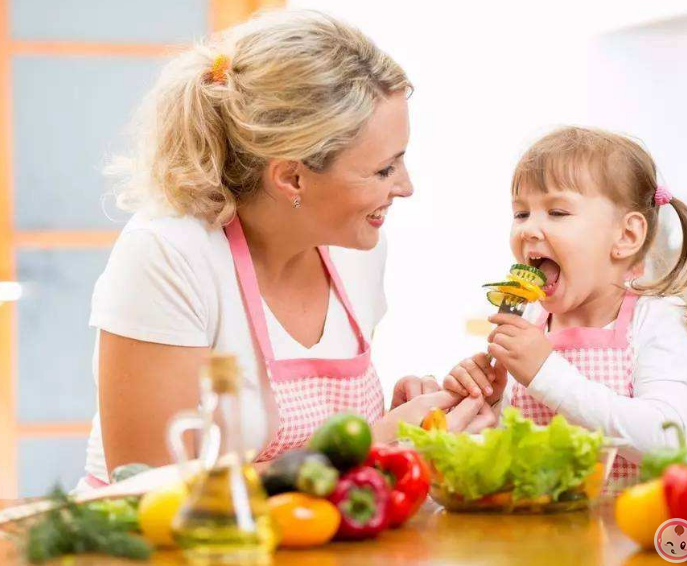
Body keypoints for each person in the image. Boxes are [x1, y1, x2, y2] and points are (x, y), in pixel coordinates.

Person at [78, 10, 493, 490]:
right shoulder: (169, 253)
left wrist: (399, 418)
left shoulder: (356, 250)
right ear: (291, 176)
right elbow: (146, 490)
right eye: (383, 170)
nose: (406, 187)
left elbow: (316, 451)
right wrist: (373, 446)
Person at [443, 127, 687, 485]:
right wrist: (489, 407)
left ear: (626, 236)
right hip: (534, 533)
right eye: (521, 214)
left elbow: (666, 440)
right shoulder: (533, 319)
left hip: (625, 535)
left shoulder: (657, 318)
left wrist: (546, 373)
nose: (529, 229)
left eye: (556, 212)